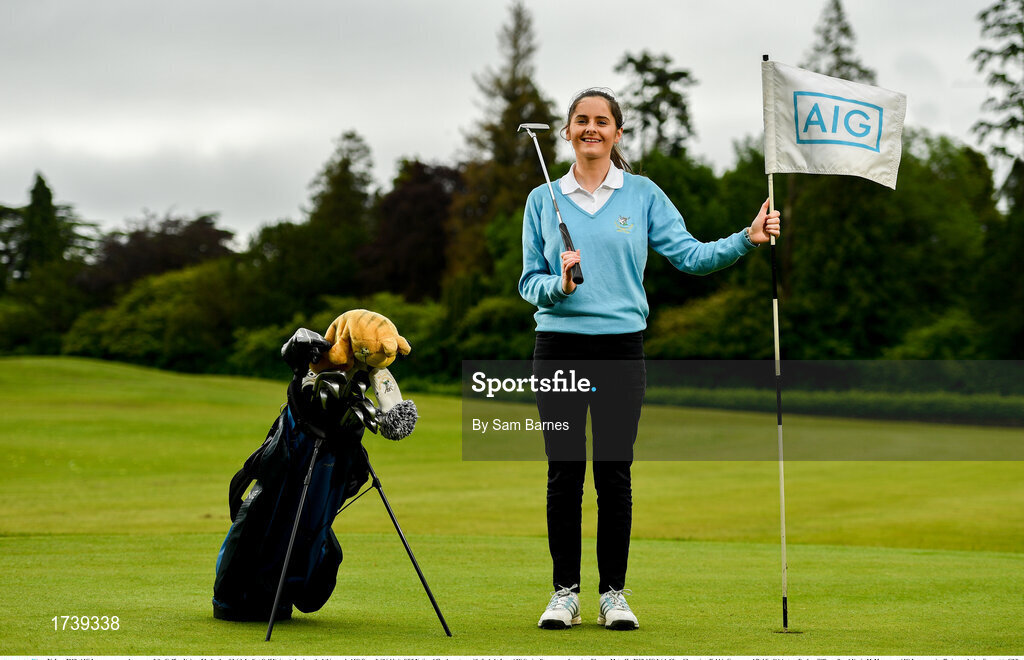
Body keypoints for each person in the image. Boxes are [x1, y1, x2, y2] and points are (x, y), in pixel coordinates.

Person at [518, 88, 781, 631]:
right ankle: (564, 592)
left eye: (602, 121)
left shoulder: (641, 194)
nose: (591, 129)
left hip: (621, 348)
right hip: (560, 348)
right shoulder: (542, 198)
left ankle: (613, 592)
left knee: (613, 473)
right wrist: (560, 285)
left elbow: (691, 255)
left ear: (617, 133)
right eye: (582, 121)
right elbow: (528, 282)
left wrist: (746, 239)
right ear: (568, 131)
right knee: (564, 473)